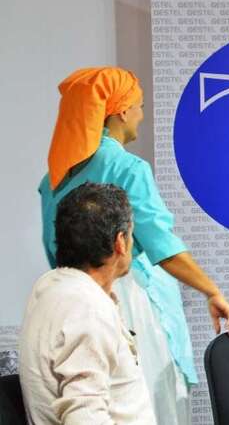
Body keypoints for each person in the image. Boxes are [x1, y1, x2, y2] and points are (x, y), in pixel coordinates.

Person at [39, 67, 229, 424]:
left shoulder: (53, 178)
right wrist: (212, 291)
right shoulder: (128, 167)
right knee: (144, 403)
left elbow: (52, 247)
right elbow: (162, 245)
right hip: (130, 303)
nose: (142, 116)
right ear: (121, 111)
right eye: (140, 106)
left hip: (72, 302)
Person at [20, 182, 156, 424]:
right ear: (120, 242)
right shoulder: (86, 309)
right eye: (131, 234)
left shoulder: (51, 287)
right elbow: (84, 416)